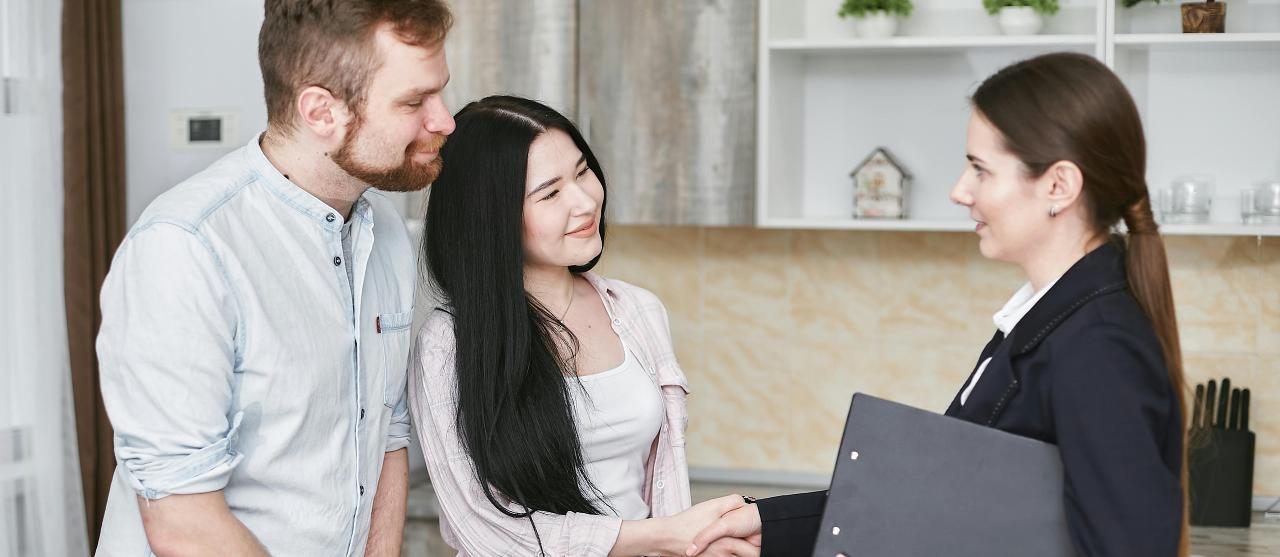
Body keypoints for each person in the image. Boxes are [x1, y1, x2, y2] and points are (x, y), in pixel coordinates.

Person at [688, 51, 1188, 557]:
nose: (958, 191)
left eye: (980, 170)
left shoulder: (1097, 347)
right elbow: (947, 500)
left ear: (1058, 185)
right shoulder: (1040, 325)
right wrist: (768, 525)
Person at [94, 1, 455, 554]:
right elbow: (182, 519)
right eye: (414, 101)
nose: (444, 120)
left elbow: (389, 434)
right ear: (320, 111)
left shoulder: (386, 234)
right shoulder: (185, 247)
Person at [409, 95, 755, 556]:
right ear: (491, 217)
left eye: (583, 171)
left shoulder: (637, 311)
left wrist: (693, 544)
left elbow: (658, 487)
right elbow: (483, 528)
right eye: (550, 193)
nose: (585, 200)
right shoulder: (448, 346)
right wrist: (664, 535)